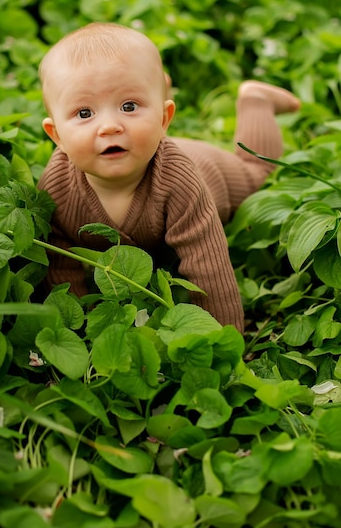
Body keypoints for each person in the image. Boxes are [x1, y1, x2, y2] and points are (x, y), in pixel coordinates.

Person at [37, 22, 300, 333]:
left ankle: (255, 100)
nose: (109, 126)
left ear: (164, 119)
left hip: (212, 171)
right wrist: (84, 333)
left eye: (129, 106)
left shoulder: (179, 182)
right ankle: (149, 91)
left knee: (258, 172)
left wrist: (222, 347)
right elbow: (59, 268)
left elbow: (208, 267)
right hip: (150, 148)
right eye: (84, 113)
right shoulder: (57, 189)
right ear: (57, 137)